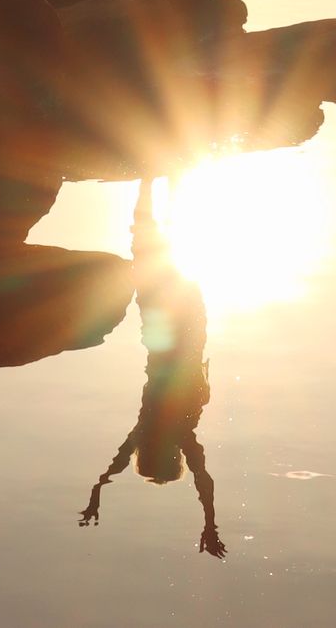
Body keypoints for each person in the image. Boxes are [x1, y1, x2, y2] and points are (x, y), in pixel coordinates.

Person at [77, 177, 226, 558]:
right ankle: (157, 181)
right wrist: (99, 488)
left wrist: (100, 489)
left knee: (155, 252)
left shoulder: (168, 431)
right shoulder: (172, 431)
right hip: (170, 331)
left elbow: (200, 480)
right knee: (147, 250)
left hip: (181, 332)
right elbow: (201, 481)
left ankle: (164, 182)